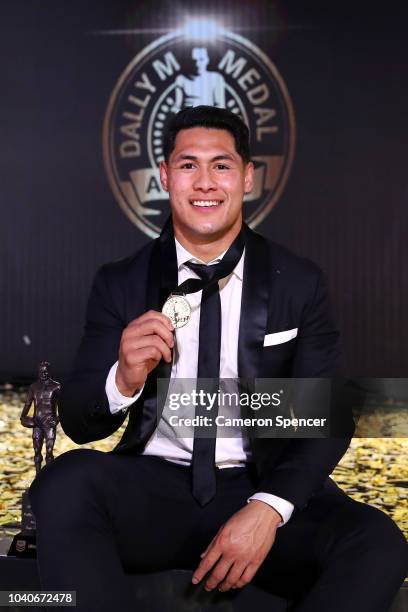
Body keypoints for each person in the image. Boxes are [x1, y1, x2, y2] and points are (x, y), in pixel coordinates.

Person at [29, 106, 407, 611]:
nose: (205, 182)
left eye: (221, 165)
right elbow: (78, 419)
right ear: (165, 176)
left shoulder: (298, 281)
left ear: (247, 177)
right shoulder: (120, 281)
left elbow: (329, 419)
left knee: (377, 540)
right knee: (63, 484)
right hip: (155, 489)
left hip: (258, 483)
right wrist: (123, 378)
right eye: (188, 165)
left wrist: (269, 508)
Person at [20, 361, 60, 474]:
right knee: (37, 451)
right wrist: (23, 416)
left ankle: (49, 477)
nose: (44, 373)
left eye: (46, 371)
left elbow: (63, 405)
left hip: (49, 422)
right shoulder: (33, 387)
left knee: (49, 450)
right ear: (38, 372)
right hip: (36, 422)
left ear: (50, 372)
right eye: (42, 372)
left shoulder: (56, 386)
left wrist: (58, 418)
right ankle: (38, 477)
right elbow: (28, 403)